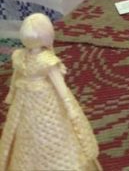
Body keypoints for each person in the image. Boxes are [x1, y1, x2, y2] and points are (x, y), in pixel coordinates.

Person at [0, 13, 101, 171]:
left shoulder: (29, 58)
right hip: (35, 99)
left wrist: (12, 93)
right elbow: (19, 77)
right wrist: (69, 105)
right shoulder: (36, 58)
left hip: (34, 99)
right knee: (33, 131)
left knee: (32, 132)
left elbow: (18, 78)